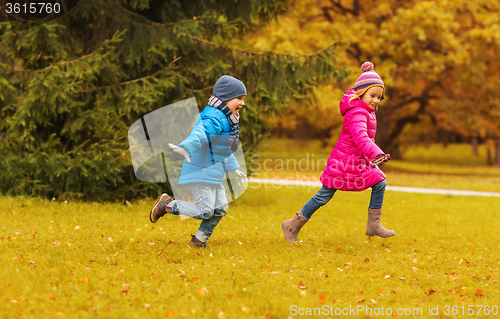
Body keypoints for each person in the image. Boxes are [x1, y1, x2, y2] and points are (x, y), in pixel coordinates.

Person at [281, 62, 395, 244]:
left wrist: (372, 156)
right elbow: (360, 137)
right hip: (344, 162)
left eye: (379, 97)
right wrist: (376, 154)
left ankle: (374, 224)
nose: (375, 100)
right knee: (324, 196)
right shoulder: (357, 112)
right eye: (372, 95)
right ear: (361, 93)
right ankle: (292, 226)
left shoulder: (367, 111)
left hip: (359, 162)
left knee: (380, 183)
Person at [149, 75, 247, 249]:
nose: (242, 103)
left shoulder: (227, 119)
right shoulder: (214, 117)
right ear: (225, 98)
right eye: (239, 98)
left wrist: (233, 168)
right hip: (200, 171)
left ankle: (198, 241)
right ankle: (168, 205)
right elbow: (201, 133)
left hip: (213, 173)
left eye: (243, 99)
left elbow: (222, 148)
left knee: (220, 209)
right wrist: (187, 147)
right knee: (205, 211)